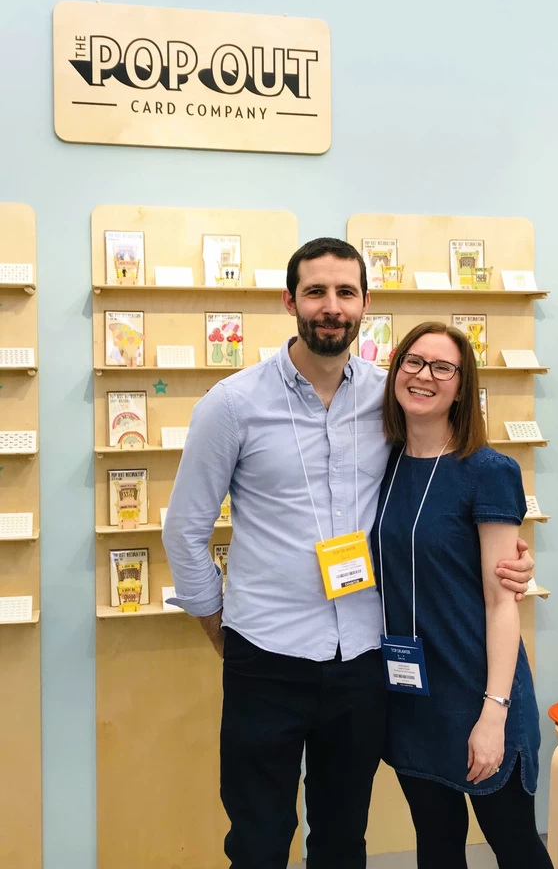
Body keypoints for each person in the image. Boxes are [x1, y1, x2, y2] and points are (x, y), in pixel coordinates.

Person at [162, 238, 535, 869]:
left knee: (341, 837)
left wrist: (507, 557)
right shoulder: (232, 405)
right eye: (316, 292)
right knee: (258, 836)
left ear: (364, 305)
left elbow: (442, 484)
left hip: (363, 659)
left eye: (345, 293)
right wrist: (214, 622)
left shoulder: (386, 398)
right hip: (267, 654)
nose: (331, 307)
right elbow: (184, 528)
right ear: (290, 301)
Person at [372, 320, 553, 869]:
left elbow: (503, 602)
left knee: (515, 846)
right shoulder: (380, 464)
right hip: (412, 694)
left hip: (480, 693)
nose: (424, 376)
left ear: (461, 385)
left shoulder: (490, 471)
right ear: (396, 370)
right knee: (437, 844)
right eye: (413, 361)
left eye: (442, 367)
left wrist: (493, 713)